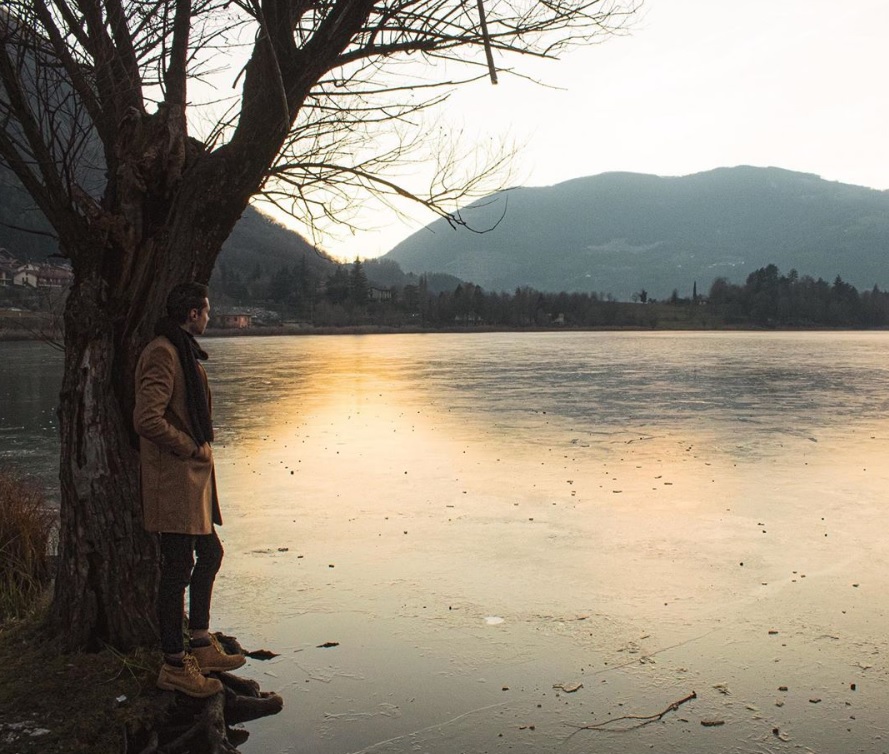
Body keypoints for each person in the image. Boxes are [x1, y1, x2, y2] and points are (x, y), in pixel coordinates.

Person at [134, 282, 245, 697]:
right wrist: (188, 446)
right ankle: (175, 665)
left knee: (210, 553)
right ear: (193, 313)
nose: (210, 317)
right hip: (174, 480)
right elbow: (146, 418)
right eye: (207, 310)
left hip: (190, 482)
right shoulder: (163, 352)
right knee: (177, 570)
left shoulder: (181, 350)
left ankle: (200, 642)